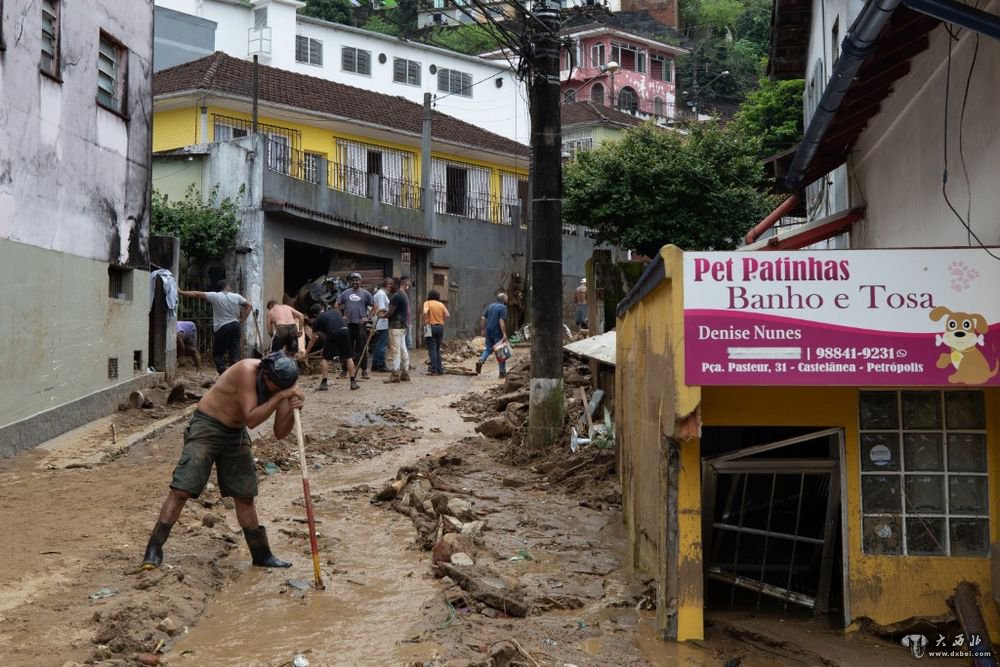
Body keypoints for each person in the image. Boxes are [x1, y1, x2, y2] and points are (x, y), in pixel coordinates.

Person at [140, 352, 304, 571]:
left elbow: (280, 432)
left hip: (235, 433)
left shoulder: (285, 386)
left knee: (245, 495)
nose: (274, 389)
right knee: (182, 489)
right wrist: (279, 397)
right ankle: (153, 549)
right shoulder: (248, 371)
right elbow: (252, 419)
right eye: (273, 385)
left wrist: (294, 411)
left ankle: (261, 554)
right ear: (265, 373)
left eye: (280, 387)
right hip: (208, 425)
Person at [179, 280, 250, 374]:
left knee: (217, 353)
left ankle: (223, 372)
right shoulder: (236, 296)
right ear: (226, 287)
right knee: (234, 351)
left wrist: (181, 292)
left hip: (222, 327)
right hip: (235, 325)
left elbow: (197, 294)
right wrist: (242, 320)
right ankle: (235, 374)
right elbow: (249, 306)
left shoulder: (215, 296)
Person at [304, 304, 358, 391]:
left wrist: (306, 353)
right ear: (322, 309)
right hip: (345, 331)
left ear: (314, 314)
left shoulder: (318, 319)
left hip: (333, 333)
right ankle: (353, 382)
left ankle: (324, 383)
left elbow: (312, 340)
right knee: (348, 357)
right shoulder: (334, 311)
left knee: (325, 358)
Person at [336, 272, 375, 380]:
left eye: (357, 280)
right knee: (346, 347)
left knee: (362, 347)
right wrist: (341, 316)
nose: (355, 282)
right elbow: (337, 304)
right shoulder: (345, 293)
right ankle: (344, 370)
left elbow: (375, 306)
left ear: (360, 281)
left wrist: (368, 317)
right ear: (350, 282)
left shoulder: (365, 293)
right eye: (353, 280)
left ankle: (364, 370)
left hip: (360, 325)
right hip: (348, 324)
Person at [383, 277, 410, 383]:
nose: (390, 286)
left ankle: (395, 374)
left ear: (397, 284)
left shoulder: (396, 296)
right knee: (403, 349)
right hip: (402, 326)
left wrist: (382, 316)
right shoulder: (403, 295)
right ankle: (405, 373)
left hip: (395, 327)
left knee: (395, 350)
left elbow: (390, 312)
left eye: (392, 284)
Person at [476, 293, 509, 378]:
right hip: (497, 331)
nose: (507, 299)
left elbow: (483, 318)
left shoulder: (490, 306)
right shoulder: (503, 307)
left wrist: (483, 329)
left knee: (488, 348)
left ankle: (481, 360)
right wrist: (504, 334)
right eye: (506, 297)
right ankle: (502, 372)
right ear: (503, 299)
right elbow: (501, 320)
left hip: (489, 330)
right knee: (500, 351)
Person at [423, 290, 450, 375]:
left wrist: (426, 321)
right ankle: (440, 369)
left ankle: (434, 370)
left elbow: (425, 312)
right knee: (437, 348)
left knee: (431, 349)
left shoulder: (427, 303)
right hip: (440, 327)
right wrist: (441, 320)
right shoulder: (441, 304)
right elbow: (448, 315)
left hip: (429, 327)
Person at [371, 278, 391, 372]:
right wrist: (392, 311)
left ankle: (375, 365)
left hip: (379, 322)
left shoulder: (379, 294)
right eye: (390, 285)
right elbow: (382, 309)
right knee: (381, 345)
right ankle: (381, 365)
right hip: (382, 323)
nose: (391, 287)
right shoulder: (381, 294)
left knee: (378, 344)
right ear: (386, 285)